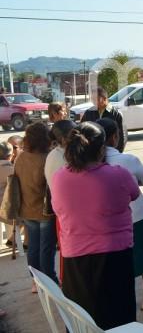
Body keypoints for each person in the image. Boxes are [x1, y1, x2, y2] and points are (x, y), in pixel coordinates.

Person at [52, 122, 139, 329]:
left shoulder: (59, 178)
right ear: (102, 149)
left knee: (81, 318)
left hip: (75, 258)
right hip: (115, 256)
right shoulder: (118, 174)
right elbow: (134, 194)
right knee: (118, 319)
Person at [96, 118, 143, 311]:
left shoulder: (88, 165)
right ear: (114, 137)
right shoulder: (126, 161)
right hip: (135, 216)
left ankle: (118, 299)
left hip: (106, 222)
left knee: (117, 263)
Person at [15, 122, 56, 290]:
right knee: (46, 248)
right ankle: (49, 282)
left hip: (26, 208)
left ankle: (35, 281)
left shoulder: (21, 157)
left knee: (33, 246)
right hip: (44, 211)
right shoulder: (47, 158)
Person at [44, 120, 76, 280]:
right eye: (74, 132)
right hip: (68, 213)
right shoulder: (64, 157)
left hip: (62, 212)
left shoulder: (53, 154)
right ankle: (68, 284)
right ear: (64, 139)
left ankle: (68, 283)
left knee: (67, 250)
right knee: (69, 252)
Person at [81, 87, 125, 152]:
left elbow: (121, 136)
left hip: (110, 151)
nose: (93, 101)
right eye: (92, 99)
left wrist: (118, 152)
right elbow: (82, 131)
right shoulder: (88, 112)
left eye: (95, 99)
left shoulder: (116, 114)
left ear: (104, 98)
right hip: (93, 152)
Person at [0, 141, 16, 246]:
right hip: (5, 209)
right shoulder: (12, 170)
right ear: (10, 156)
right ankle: (12, 238)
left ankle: (11, 238)